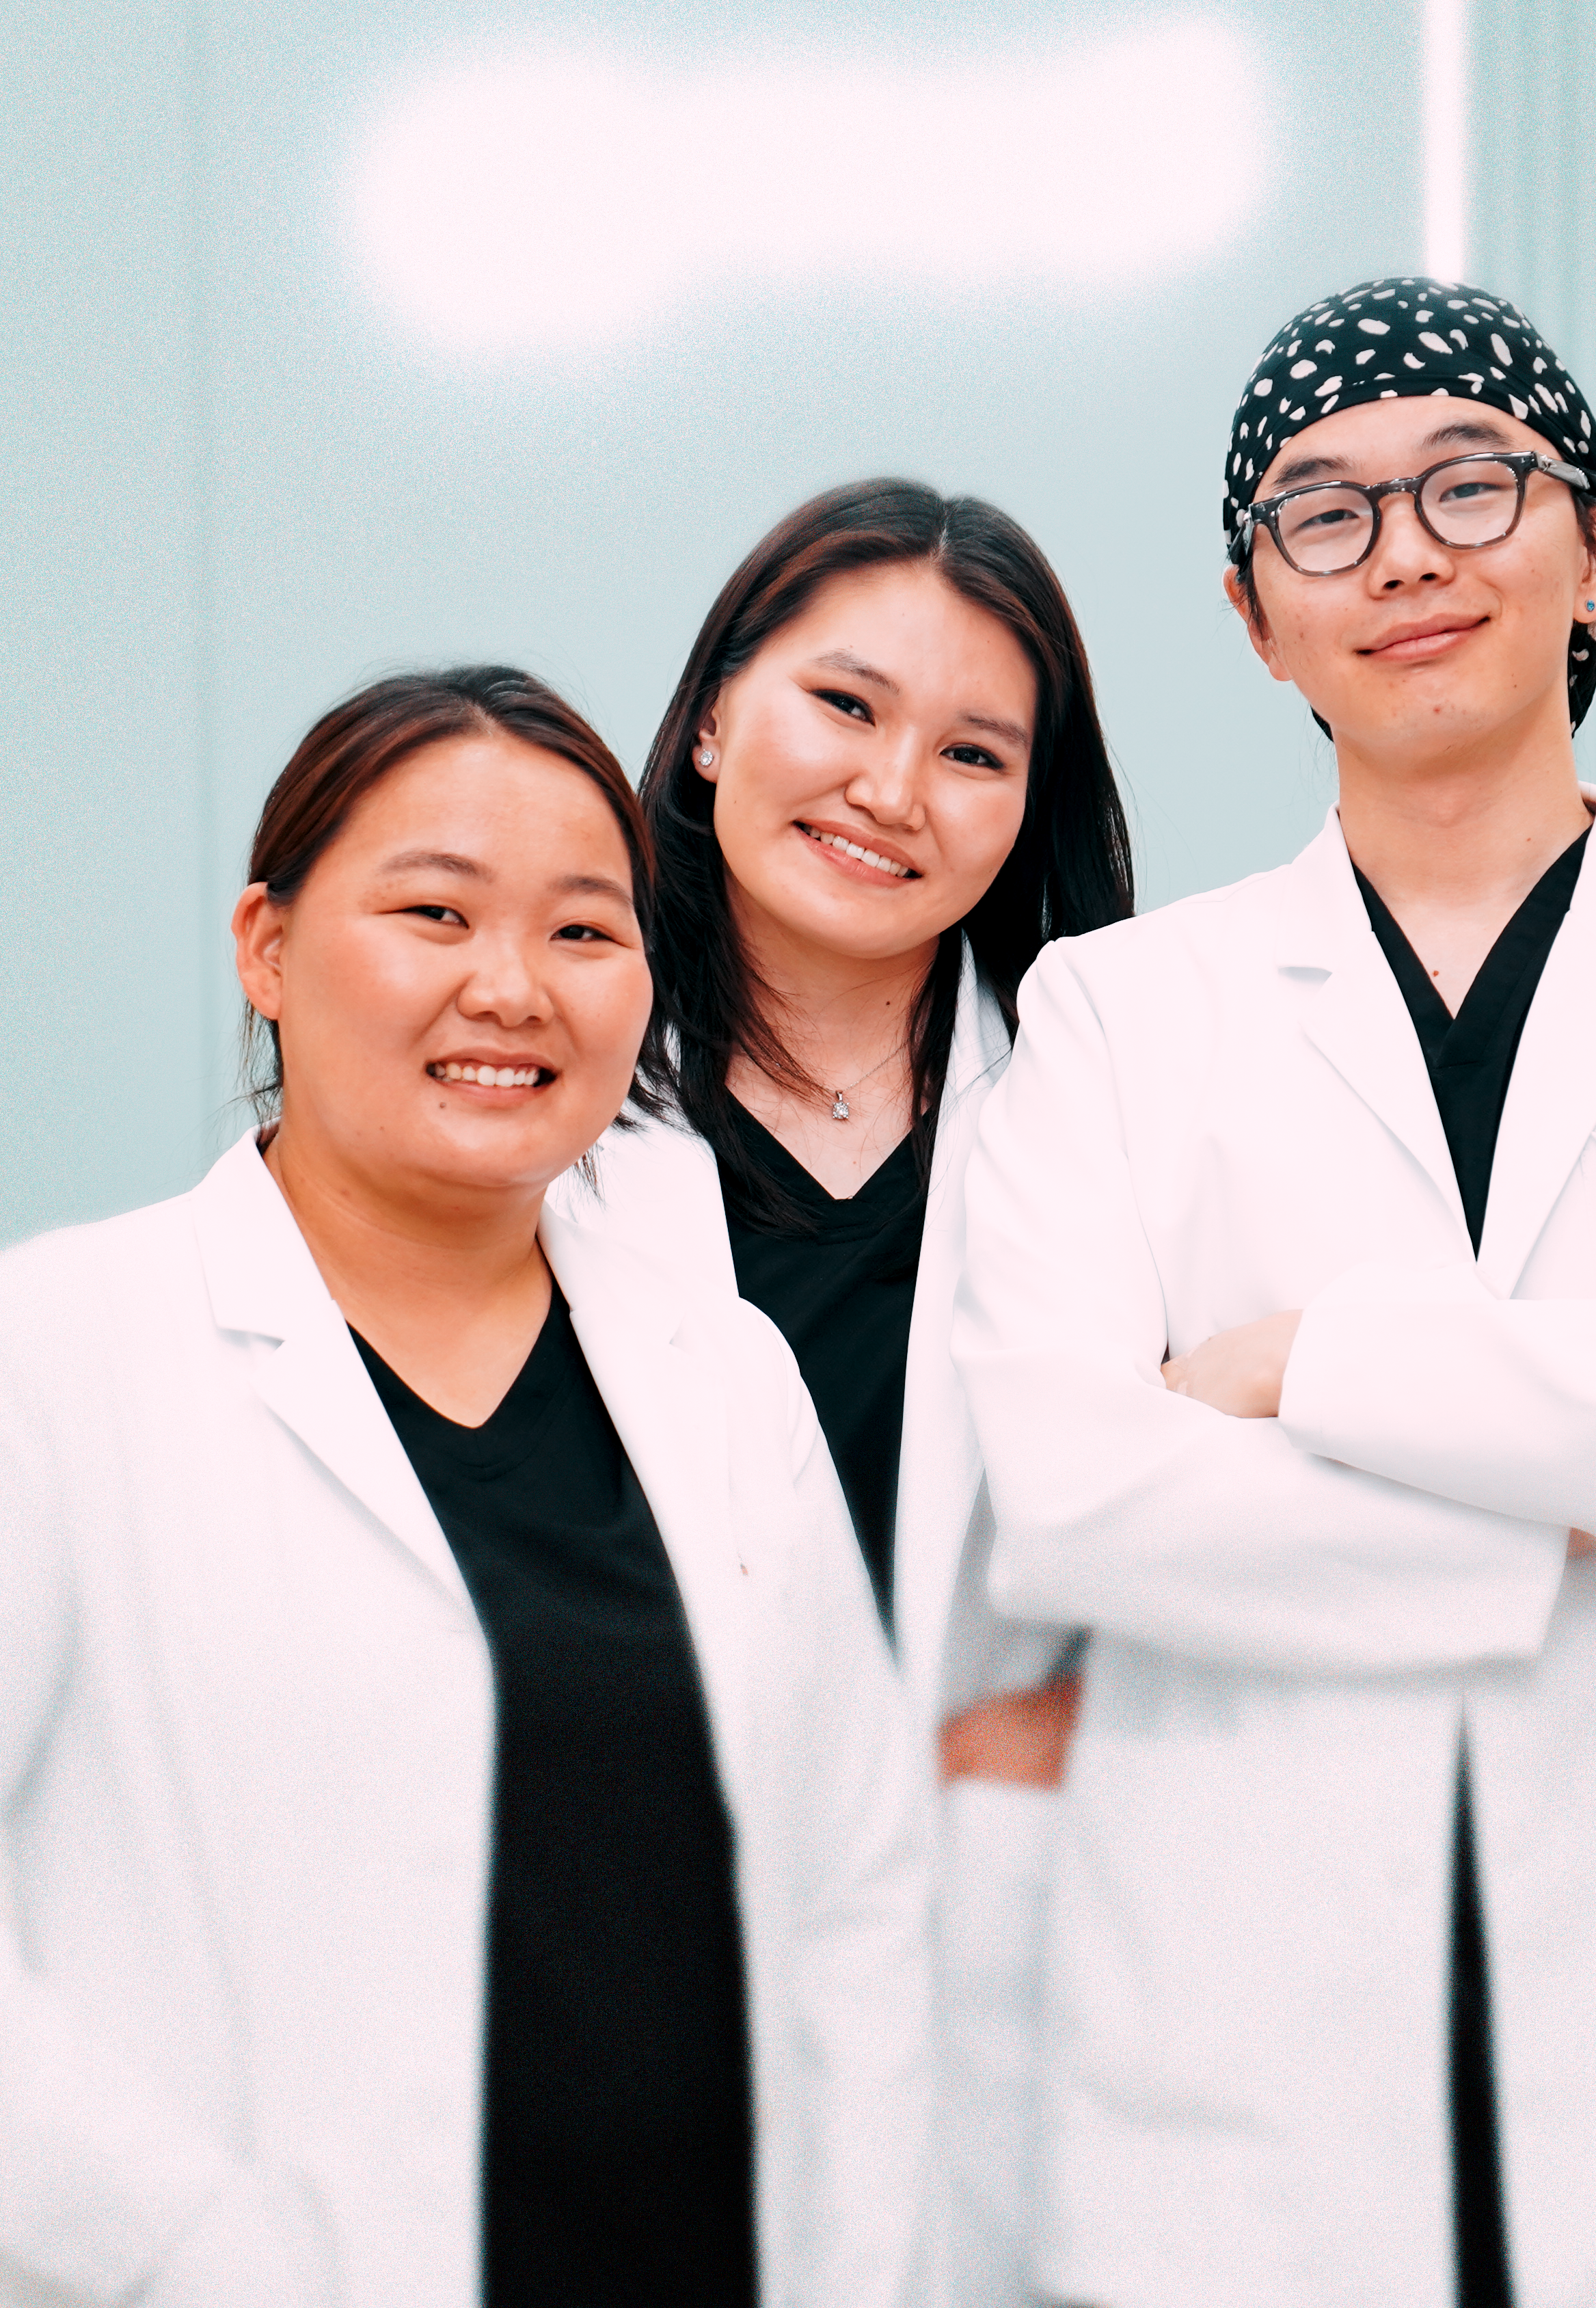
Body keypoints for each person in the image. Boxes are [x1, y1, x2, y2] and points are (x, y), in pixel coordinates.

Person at [953, 276, 1596, 2308]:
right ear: (1253, 614)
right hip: (1233, 2075)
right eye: (1324, 514)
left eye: (1472, 487)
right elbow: (1073, 1495)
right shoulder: (1121, 1009)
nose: (1404, 554)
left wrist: (1296, 1364)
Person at [0, 668, 931, 2308]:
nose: (511, 987)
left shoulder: (721, 1374)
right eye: (435, 911)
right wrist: (177, 2240)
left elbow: (854, 1891)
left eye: (586, 932)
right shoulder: (57, 1349)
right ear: (268, 947)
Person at [550, 479, 1131, 2306]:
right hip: (593, 1927)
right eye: (847, 706)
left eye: (973, 751)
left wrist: (1096, 1709)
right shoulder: (529, 1102)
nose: (892, 789)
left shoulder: (1113, 1113)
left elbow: (1253, 1466)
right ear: (718, 717)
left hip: (998, 1957)